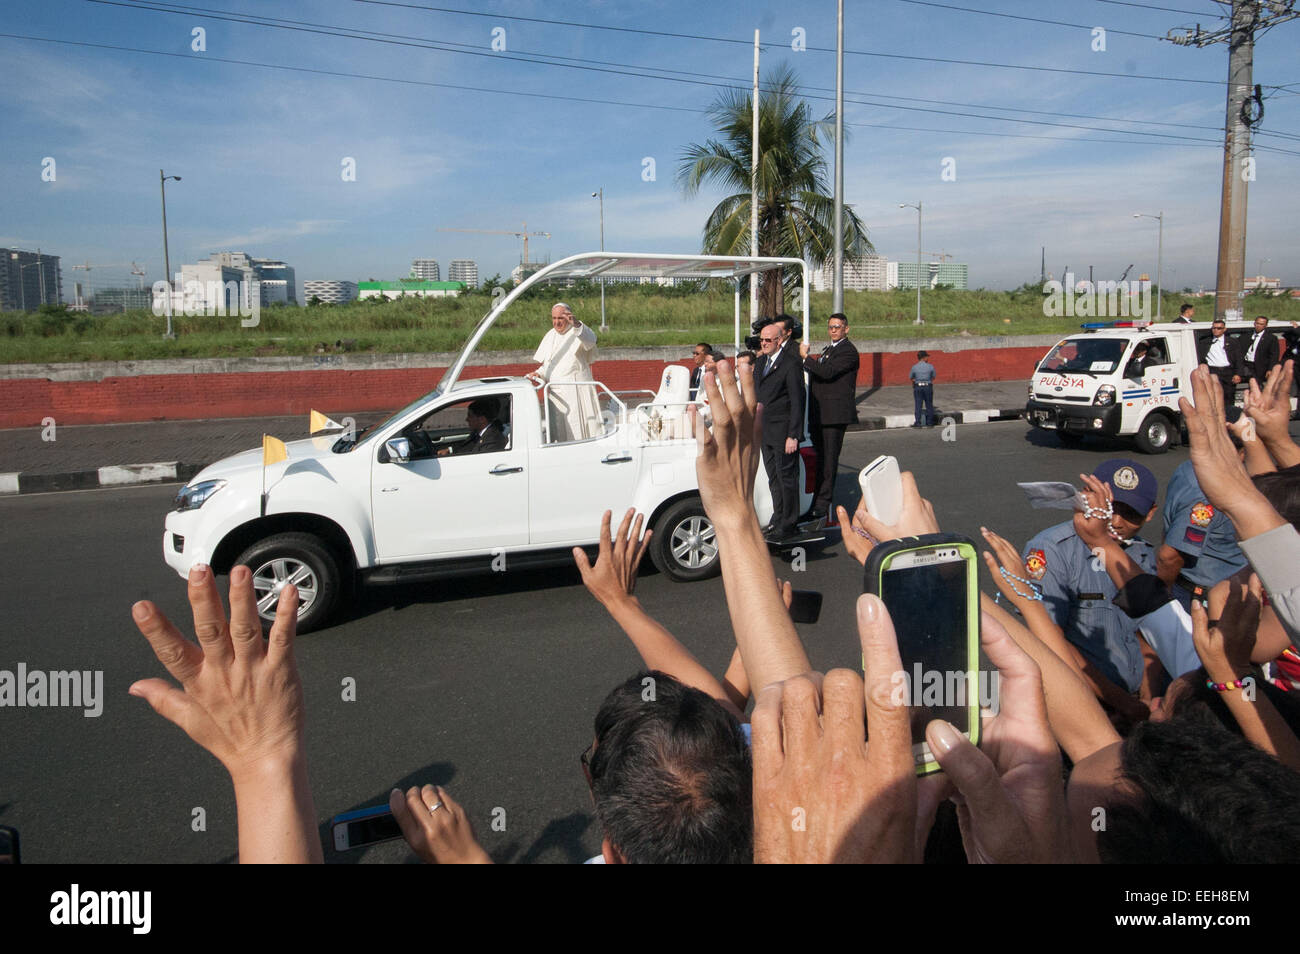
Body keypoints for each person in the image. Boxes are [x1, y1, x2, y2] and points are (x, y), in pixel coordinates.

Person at [1020, 459, 1161, 717]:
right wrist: (1122, 703)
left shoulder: (1142, 554)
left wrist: (1148, 696)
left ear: (1150, 514)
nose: (1117, 522)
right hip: (1082, 705)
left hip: (1136, 706)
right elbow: (1049, 641)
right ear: (1085, 498)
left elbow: (1148, 632)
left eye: (1130, 513)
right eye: (1109, 508)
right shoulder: (1051, 550)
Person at [1157, 458, 1247, 609]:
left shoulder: (1189, 468)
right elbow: (1171, 556)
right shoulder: (1207, 494)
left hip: (1198, 591)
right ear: (1241, 453)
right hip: (1203, 598)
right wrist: (1160, 599)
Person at [798, 312, 860, 521]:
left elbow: (827, 372)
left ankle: (822, 505)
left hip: (834, 416)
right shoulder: (829, 350)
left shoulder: (848, 352)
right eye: (830, 327)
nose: (833, 330)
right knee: (820, 459)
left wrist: (806, 358)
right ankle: (815, 499)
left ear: (846, 329)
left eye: (837, 327)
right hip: (820, 414)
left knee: (829, 461)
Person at [754, 320, 805, 542]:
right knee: (773, 478)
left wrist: (793, 435)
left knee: (787, 478)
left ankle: (790, 522)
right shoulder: (761, 363)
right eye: (761, 340)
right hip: (766, 432)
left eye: (768, 340)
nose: (763, 343)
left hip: (784, 432)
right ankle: (779, 515)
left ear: (779, 340)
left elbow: (797, 401)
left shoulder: (790, 364)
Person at [528, 302, 599, 442]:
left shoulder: (578, 330)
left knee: (577, 432)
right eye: (554, 318)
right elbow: (550, 363)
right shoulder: (550, 335)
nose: (556, 322)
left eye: (560, 318)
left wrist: (576, 324)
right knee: (558, 433)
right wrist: (539, 373)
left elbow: (590, 341)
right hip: (555, 394)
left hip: (574, 392)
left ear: (568, 317)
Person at [1196, 317, 1245, 408]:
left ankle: (1229, 417)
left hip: (1228, 371)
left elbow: (1238, 359)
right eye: (1214, 328)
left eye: (1219, 328)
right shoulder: (1205, 342)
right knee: (1215, 396)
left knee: (1229, 396)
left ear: (1224, 329)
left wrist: (1238, 374)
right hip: (1213, 371)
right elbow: (1200, 357)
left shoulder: (1232, 342)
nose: (1216, 330)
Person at [436, 397, 507, 457]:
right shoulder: (478, 433)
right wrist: (449, 450)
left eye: (470, 416)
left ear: (482, 419)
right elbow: (467, 447)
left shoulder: (493, 440)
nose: (466, 419)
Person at [1244, 315, 1280, 386]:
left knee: (1256, 385)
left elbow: (1274, 355)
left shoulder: (1271, 338)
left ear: (1265, 325)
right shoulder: (1246, 336)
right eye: (1257, 323)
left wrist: (1270, 369)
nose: (1258, 326)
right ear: (1254, 324)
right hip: (1247, 365)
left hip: (1260, 367)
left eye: (1261, 324)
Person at [909, 350, 936, 427]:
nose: (928, 358)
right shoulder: (930, 366)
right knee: (929, 404)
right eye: (927, 357)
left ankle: (918, 422)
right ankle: (930, 423)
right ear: (924, 358)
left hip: (918, 387)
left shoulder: (914, 367)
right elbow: (933, 376)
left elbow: (911, 377)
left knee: (918, 405)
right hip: (928, 386)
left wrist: (917, 380)